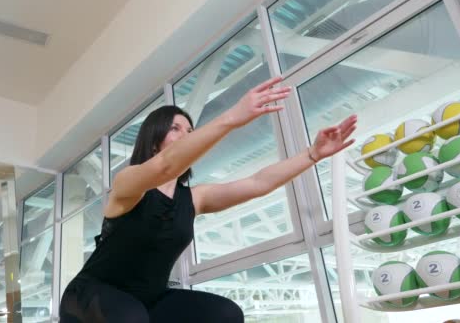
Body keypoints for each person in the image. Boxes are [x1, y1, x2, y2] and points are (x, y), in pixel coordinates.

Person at [59, 76, 357, 323]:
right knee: (131, 320)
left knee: (226, 315)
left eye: (191, 130)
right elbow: (165, 166)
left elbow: (258, 183)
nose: (186, 134)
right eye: (176, 129)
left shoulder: (196, 198)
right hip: (92, 293)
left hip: (149, 300)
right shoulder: (127, 183)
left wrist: (312, 154)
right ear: (153, 141)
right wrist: (231, 119)